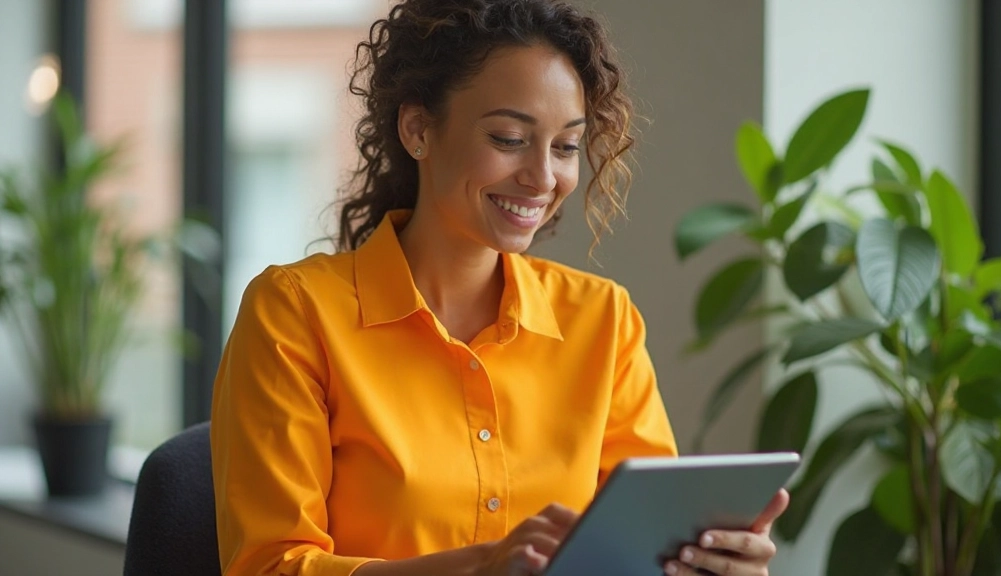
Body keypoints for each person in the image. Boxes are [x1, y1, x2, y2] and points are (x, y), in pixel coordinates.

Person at [210, 1, 789, 575]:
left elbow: (638, 549)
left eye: (565, 146)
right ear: (418, 129)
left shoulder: (603, 320)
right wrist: (480, 566)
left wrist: (707, 565)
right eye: (510, 138)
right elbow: (271, 567)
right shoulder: (294, 313)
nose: (543, 177)